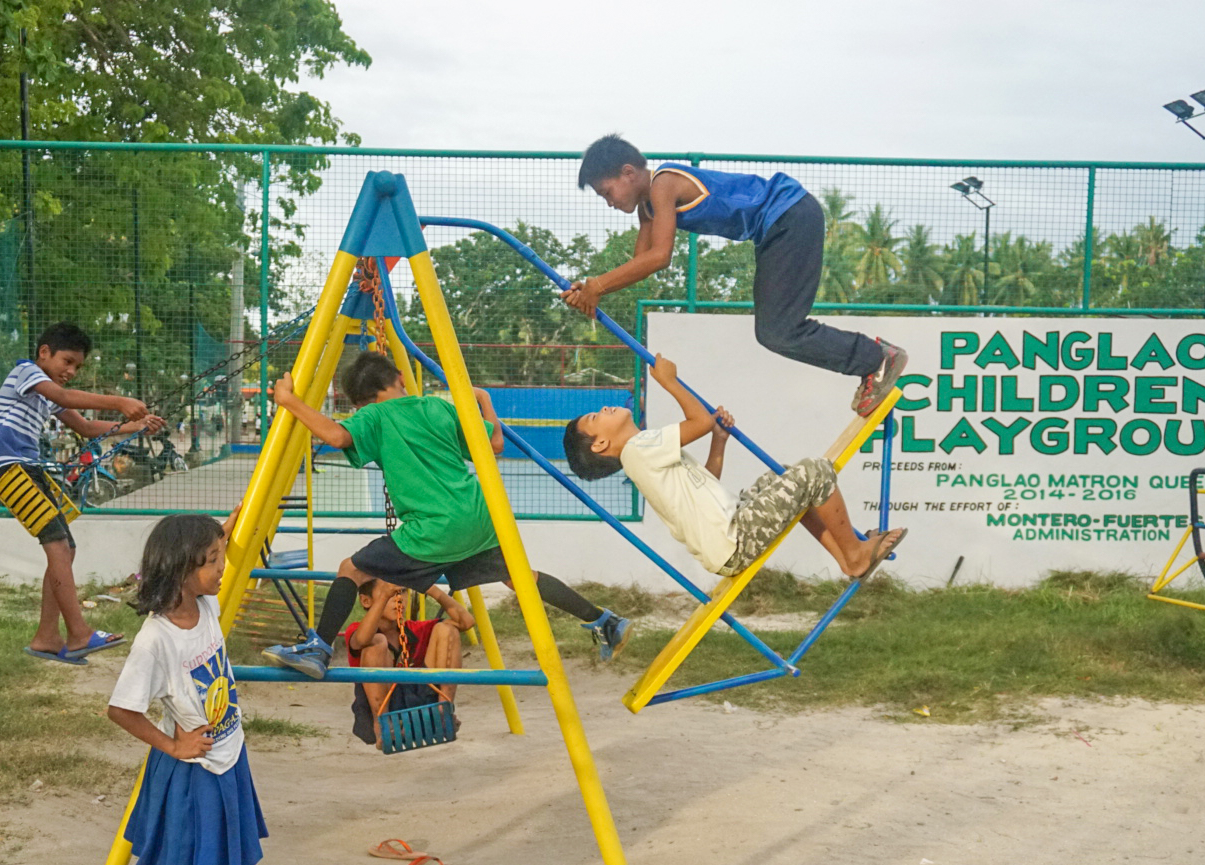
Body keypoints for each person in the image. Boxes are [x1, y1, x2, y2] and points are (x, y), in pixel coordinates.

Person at [262, 350, 631, 679]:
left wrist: (288, 400)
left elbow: (337, 437)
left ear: (359, 402)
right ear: (400, 379)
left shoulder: (373, 415)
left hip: (434, 530)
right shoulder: (438, 407)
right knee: (521, 576)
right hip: (480, 519)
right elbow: (495, 445)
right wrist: (484, 400)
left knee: (351, 569)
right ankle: (602, 620)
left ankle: (318, 648)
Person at [563, 134, 907, 417]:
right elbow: (639, 263)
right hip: (777, 227)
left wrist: (598, 286)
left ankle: (876, 359)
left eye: (606, 192)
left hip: (788, 214)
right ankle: (871, 359)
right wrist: (591, 290)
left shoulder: (663, 183)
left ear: (628, 172)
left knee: (778, 331)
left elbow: (659, 257)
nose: (608, 202)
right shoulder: (648, 208)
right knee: (774, 332)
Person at [564, 354, 907, 580]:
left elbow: (708, 482)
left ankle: (847, 558)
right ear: (600, 445)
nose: (606, 408)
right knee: (814, 472)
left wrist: (718, 440)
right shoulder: (639, 449)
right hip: (735, 538)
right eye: (596, 417)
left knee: (784, 477)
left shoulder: (645, 457)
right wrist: (669, 381)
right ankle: (855, 555)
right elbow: (698, 420)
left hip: (729, 535)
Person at [107, 513, 266, 865]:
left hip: (226, 753)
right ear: (181, 569)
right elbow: (121, 709)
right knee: (158, 845)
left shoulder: (207, 605)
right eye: (213, 561)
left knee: (213, 845)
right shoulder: (155, 639)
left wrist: (235, 520)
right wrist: (173, 745)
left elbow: (221, 536)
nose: (222, 568)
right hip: (186, 761)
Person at [0, 322, 163, 665]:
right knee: (59, 546)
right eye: (67, 362)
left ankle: (47, 637)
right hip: (5, 467)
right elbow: (63, 396)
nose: (71, 371)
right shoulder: (26, 372)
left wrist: (136, 425)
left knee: (68, 548)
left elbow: (86, 427)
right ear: (44, 352)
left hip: (28, 468)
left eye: (77, 366)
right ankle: (78, 633)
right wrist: (120, 401)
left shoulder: (46, 396)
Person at [342, 579, 473, 748]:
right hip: (381, 703)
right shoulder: (357, 630)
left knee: (448, 630)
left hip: (420, 699)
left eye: (402, 592)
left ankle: (443, 712)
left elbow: (466, 623)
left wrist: (430, 588)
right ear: (366, 601)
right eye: (390, 594)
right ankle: (382, 725)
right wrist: (383, 599)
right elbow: (362, 639)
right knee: (377, 642)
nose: (399, 599)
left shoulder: (413, 628)